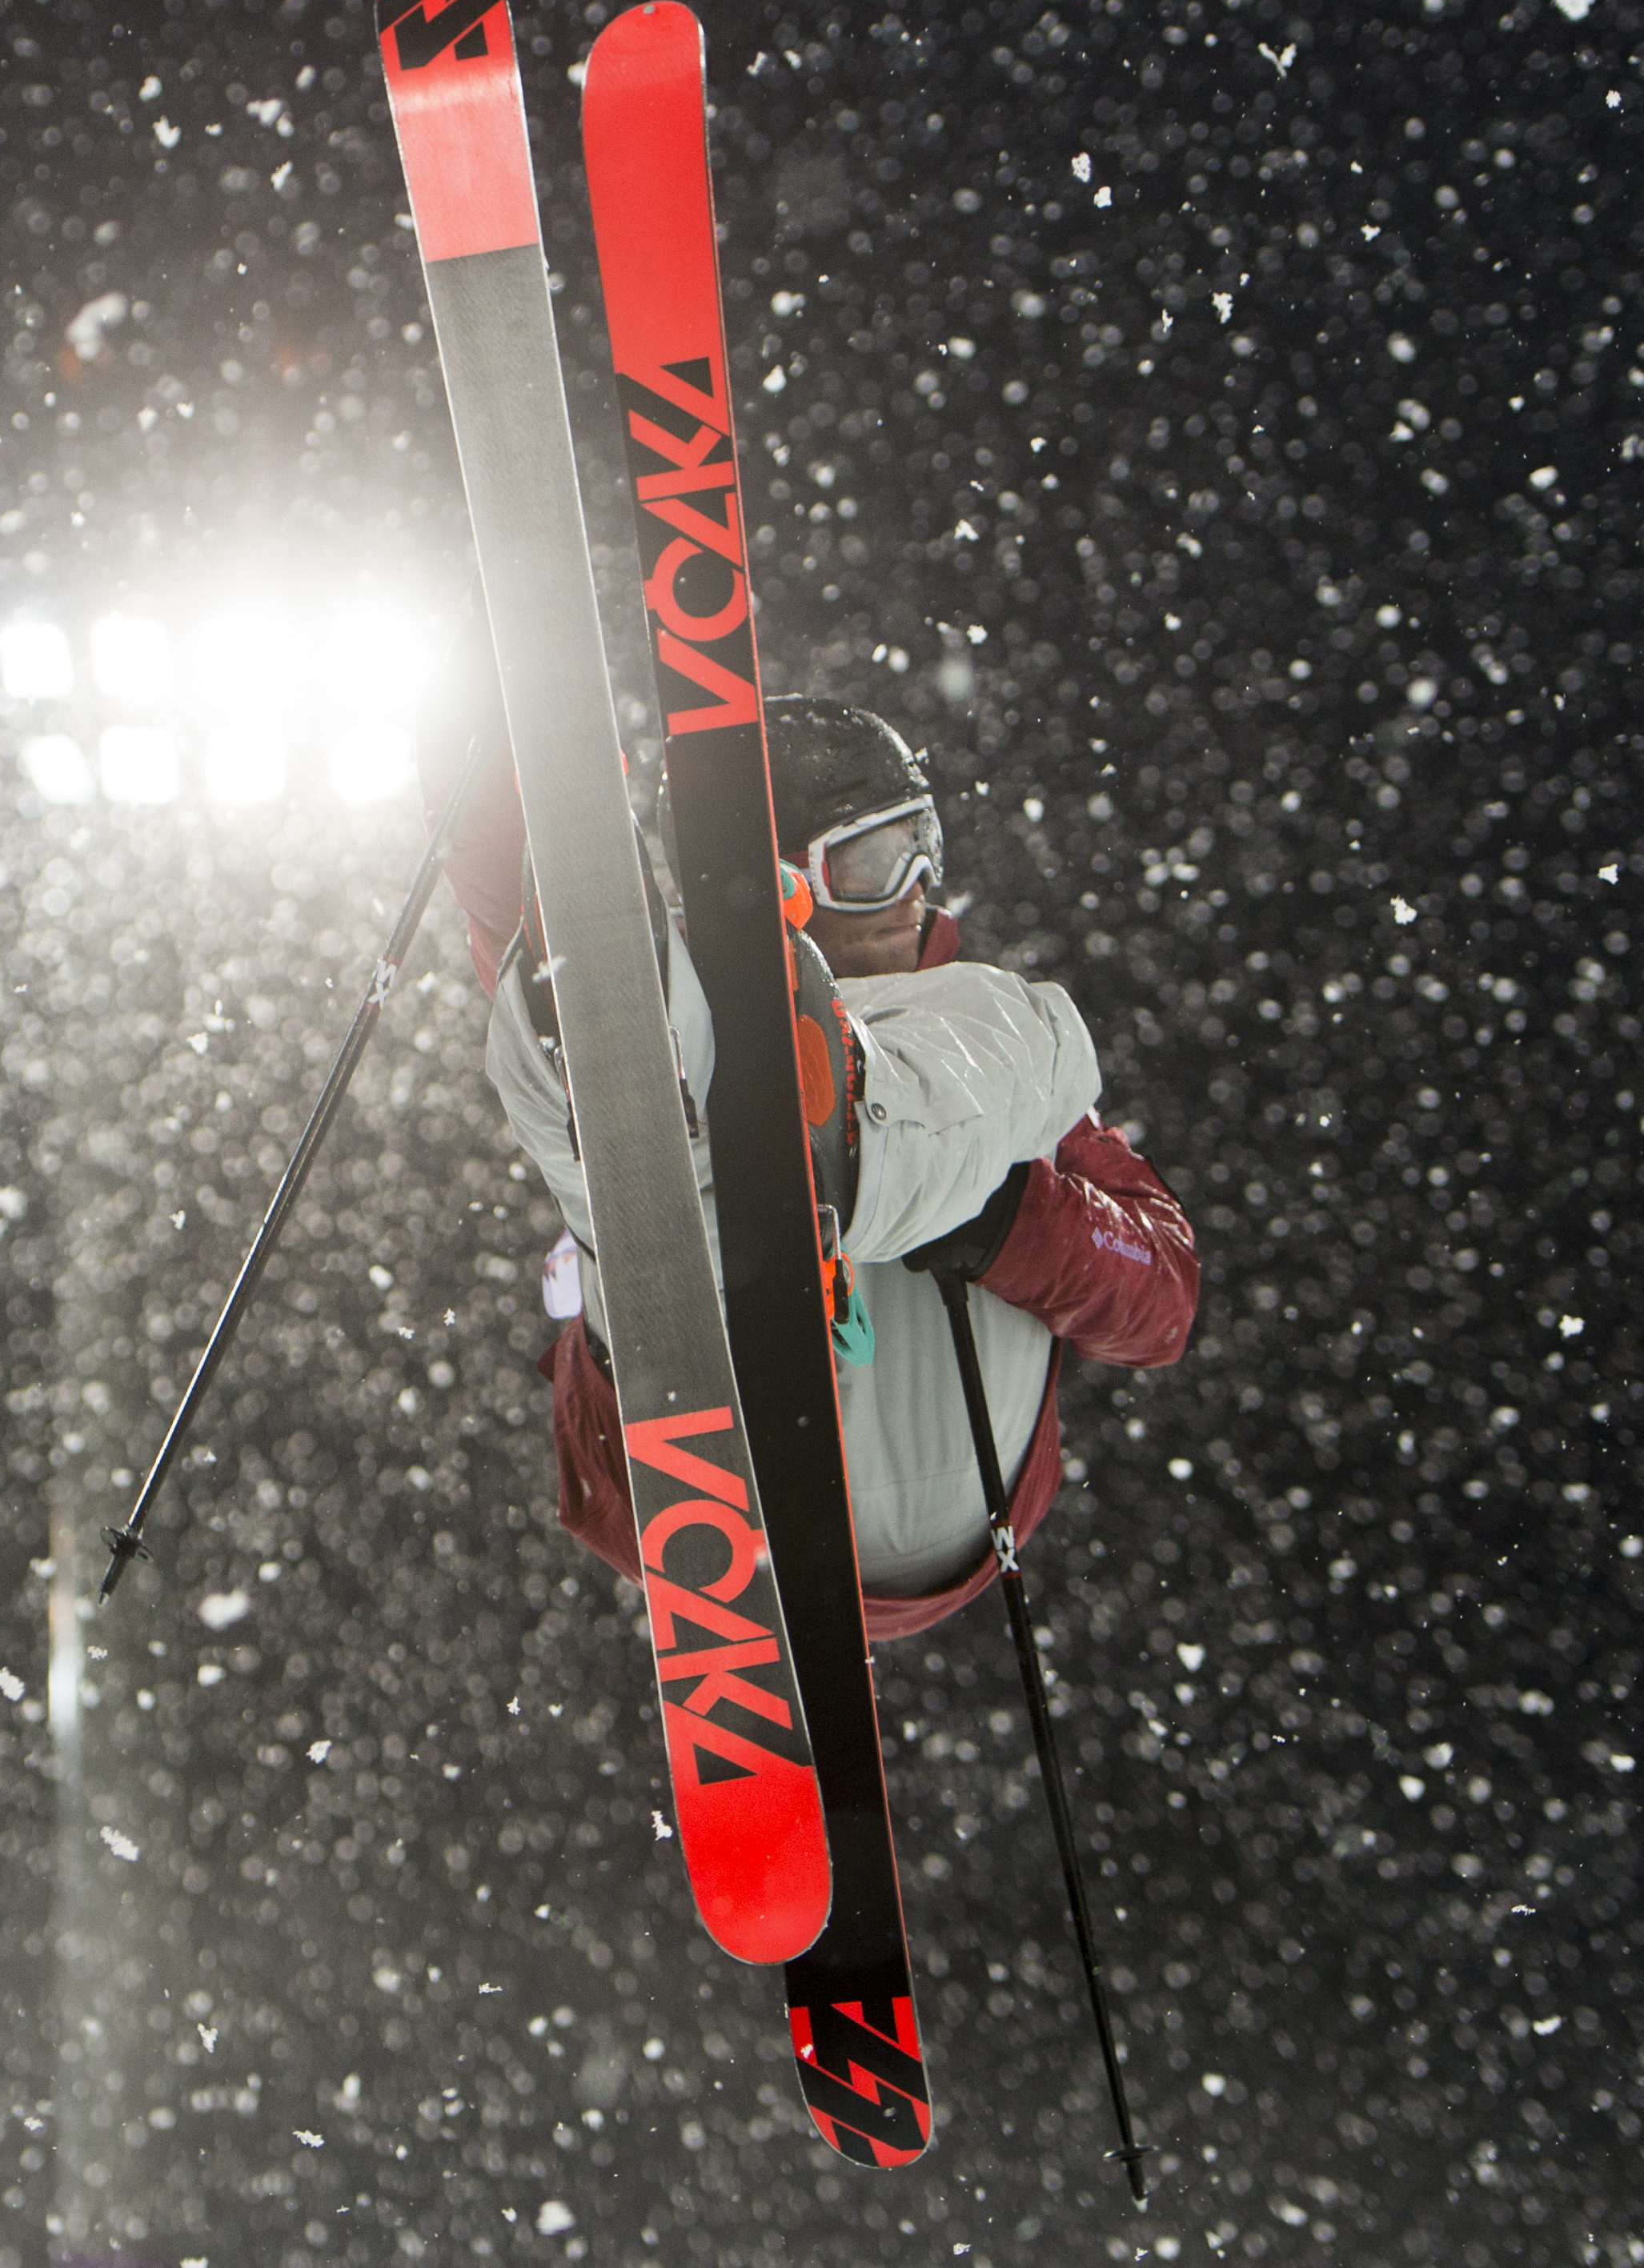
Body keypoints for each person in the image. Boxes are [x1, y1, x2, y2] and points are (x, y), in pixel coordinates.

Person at [416, 660, 1197, 1643]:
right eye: (871, 862)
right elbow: (513, 916)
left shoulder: (973, 1027)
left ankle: (821, 1152)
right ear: (779, 885)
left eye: (923, 848)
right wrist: (492, 730)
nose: (914, 891)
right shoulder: (718, 1007)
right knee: (615, 1066)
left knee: (1005, 1023)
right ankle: (711, 1154)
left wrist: (1009, 1220)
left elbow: (1163, 1294)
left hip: (942, 1491)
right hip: (717, 1468)